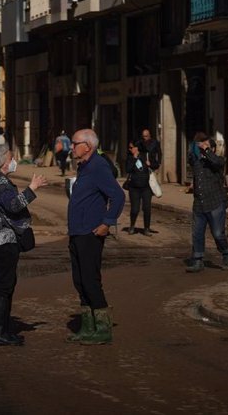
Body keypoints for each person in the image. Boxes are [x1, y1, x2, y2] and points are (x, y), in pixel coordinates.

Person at [0, 144, 48, 346]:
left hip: (2, 238)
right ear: (1, 162)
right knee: (3, 285)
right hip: (2, 239)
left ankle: (4, 329)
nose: (13, 162)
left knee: (8, 284)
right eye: (10, 158)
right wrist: (32, 189)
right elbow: (13, 205)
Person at [66, 129, 125, 345]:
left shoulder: (98, 166)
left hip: (90, 233)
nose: (71, 147)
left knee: (91, 281)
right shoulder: (84, 166)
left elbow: (118, 196)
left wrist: (107, 222)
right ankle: (87, 326)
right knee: (79, 281)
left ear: (87, 146)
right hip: (77, 232)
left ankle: (102, 328)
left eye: (75, 143)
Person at [186, 132, 228, 273]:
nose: (203, 148)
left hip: (215, 202)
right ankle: (198, 260)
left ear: (212, 148)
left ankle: (225, 253)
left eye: (207, 146)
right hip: (199, 204)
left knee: (218, 233)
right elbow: (190, 156)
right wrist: (197, 144)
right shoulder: (197, 162)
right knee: (197, 233)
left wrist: (207, 150)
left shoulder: (218, 161)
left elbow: (217, 162)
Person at [125, 141, 153, 236]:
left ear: (137, 148)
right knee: (135, 209)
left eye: (131, 147)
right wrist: (134, 158)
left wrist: (150, 164)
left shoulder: (145, 156)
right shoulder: (129, 158)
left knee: (147, 208)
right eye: (129, 148)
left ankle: (147, 228)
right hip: (134, 188)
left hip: (146, 188)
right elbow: (128, 169)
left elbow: (155, 165)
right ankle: (132, 226)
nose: (130, 149)